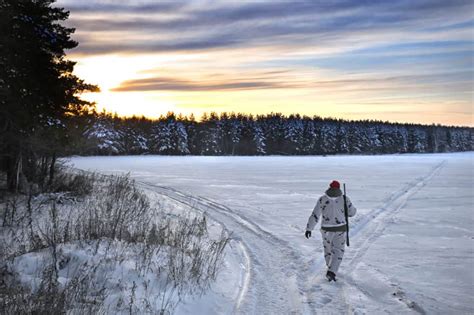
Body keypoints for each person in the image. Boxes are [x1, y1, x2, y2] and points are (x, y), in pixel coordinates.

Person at [305, 180, 356, 282]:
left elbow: (315, 215)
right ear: (338, 188)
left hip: (326, 229)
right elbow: (352, 213)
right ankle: (332, 271)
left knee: (328, 249)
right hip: (340, 228)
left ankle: (330, 268)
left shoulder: (322, 199)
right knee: (338, 251)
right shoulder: (344, 199)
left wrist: (309, 229)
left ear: (330, 187)